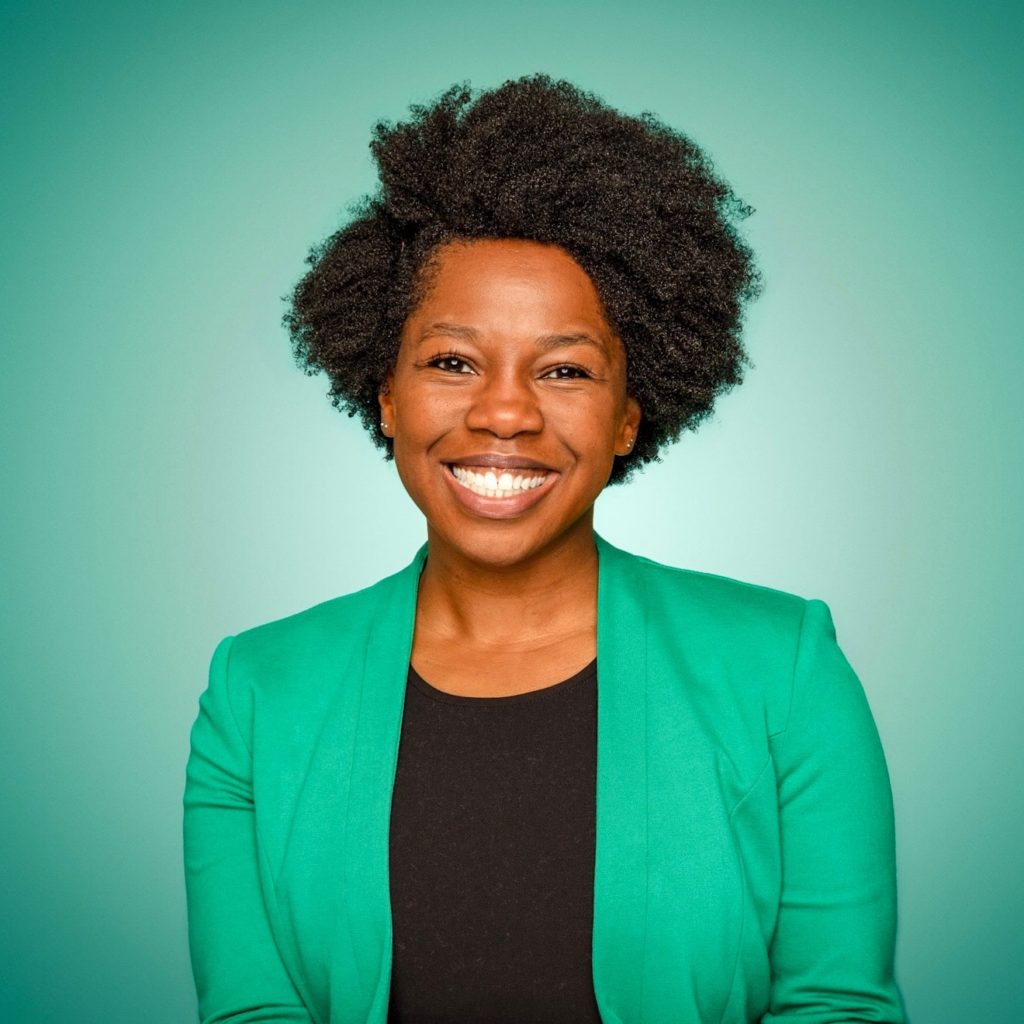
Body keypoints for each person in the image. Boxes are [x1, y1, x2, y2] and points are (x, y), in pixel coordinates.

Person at [183, 75, 907, 1024]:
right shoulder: (257, 692)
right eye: (452, 361)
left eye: (565, 369)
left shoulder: (784, 670)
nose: (505, 412)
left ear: (627, 418)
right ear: (387, 395)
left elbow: (837, 1005)